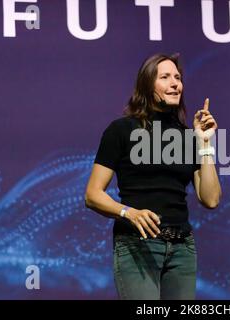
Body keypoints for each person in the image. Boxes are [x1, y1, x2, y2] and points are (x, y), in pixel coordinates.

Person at [85, 53, 221, 300]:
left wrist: (205, 143)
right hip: (137, 245)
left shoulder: (188, 136)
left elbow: (210, 199)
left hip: (182, 249)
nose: (175, 83)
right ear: (148, 85)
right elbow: (92, 195)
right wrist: (129, 212)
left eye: (177, 78)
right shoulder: (121, 130)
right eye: (165, 77)